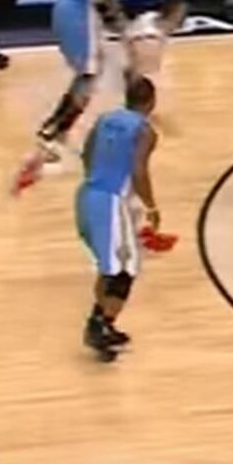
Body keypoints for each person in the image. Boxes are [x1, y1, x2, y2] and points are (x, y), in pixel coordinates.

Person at [13, 0, 125, 194]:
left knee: (89, 74)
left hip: (63, 5)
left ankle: (55, 130)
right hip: (81, 12)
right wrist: (118, 17)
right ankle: (51, 133)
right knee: (89, 76)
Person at [76, 75, 160, 362]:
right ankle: (99, 327)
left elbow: (86, 155)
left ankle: (101, 322)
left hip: (87, 195)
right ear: (151, 102)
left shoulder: (104, 120)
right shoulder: (145, 131)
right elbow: (138, 171)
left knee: (110, 266)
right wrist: (151, 207)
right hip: (111, 202)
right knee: (125, 270)